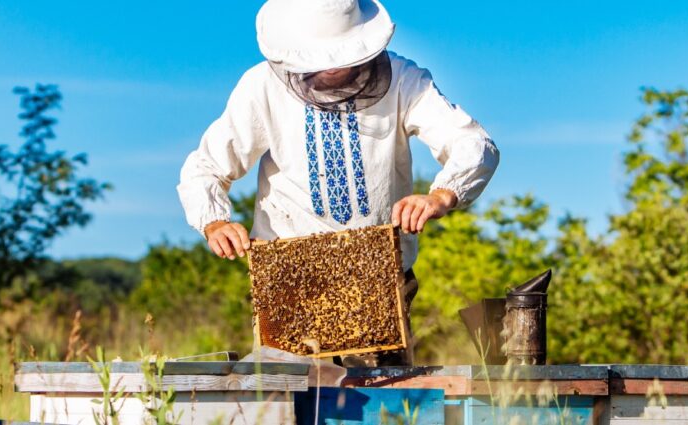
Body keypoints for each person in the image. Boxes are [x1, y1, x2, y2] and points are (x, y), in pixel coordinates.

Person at [177, 0, 499, 366]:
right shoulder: (262, 86)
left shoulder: (406, 81)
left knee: (381, 408)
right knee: (288, 407)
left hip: (381, 279)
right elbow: (205, 167)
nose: (331, 67)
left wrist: (441, 196)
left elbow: (474, 144)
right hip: (289, 282)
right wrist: (215, 221)